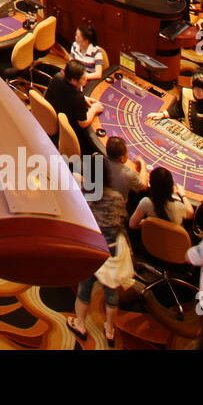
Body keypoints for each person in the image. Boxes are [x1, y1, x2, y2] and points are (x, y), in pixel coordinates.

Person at [69, 137, 145, 345]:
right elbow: (121, 223)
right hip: (110, 251)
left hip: (91, 246)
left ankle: (80, 324)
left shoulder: (86, 193)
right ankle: (110, 329)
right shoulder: (117, 199)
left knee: (84, 288)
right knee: (111, 293)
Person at [44, 60, 105, 158]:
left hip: (53, 117)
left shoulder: (57, 77)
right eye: (83, 78)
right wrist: (94, 108)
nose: (86, 79)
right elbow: (83, 123)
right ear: (73, 81)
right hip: (71, 132)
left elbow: (65, 94)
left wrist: (84, 98)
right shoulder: (77, 97)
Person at [151, 72, 203, 143]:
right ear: (192, 87)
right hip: (188, 133)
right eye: (197, 90)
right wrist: (163, 114)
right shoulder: (186, 92)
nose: (200, 93)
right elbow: (179, 109)